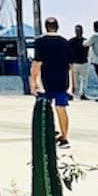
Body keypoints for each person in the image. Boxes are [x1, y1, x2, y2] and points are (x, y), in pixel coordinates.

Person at [31, 16, 75, 147]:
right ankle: (64, 137)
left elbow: (37, 64)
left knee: (44, 108)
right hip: (62, 80)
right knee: (61, 108)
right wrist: (73, 85)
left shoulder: (40, 42)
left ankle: (46, 133)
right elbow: (71, 66)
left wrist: (34, 82)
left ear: (45, 27)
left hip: (46, 80)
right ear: (57, 27)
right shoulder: (65, 42)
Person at [69, 24, 90, 100]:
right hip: (76, 63)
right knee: (76, 81)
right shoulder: (84, 41)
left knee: (82, 80)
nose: (78, 32)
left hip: (82, 62)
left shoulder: (73, 41)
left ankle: (82, 94)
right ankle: (78, 94)